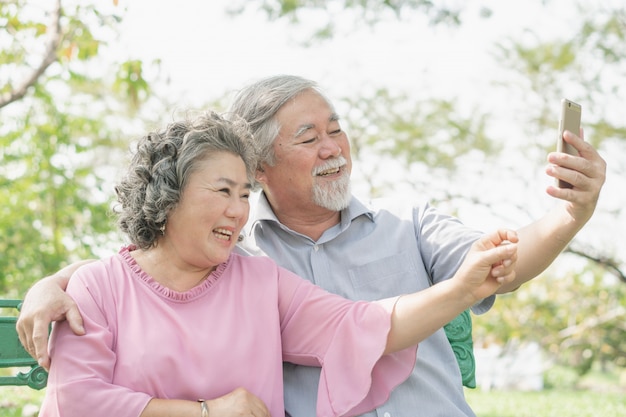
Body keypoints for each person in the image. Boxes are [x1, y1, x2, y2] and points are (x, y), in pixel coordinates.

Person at [18, 75, 606, 417]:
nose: (333, 147)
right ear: (264, 167)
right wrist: (54, 283)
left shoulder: (402, 225)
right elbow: (141, 276)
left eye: (336, 128)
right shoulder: (238, 253)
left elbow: (365, 322)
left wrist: (564, 215)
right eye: (309, 137)